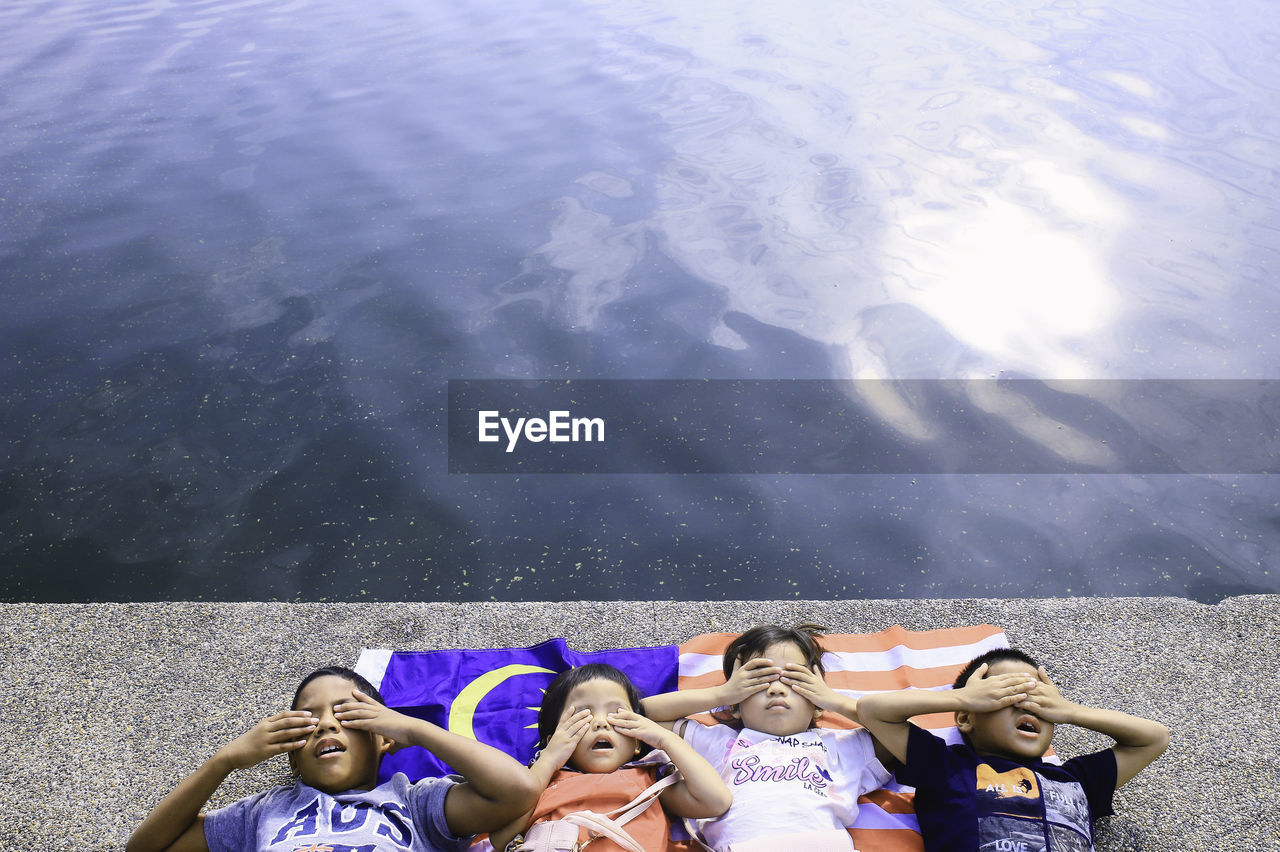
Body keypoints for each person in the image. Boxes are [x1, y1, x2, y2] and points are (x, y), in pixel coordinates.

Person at [127, 666, 541, 852]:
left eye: (347, 714)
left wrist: (413, 730)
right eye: (307, 720)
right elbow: (145, 847)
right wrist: (222, 763)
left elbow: (517, 790)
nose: (326, 725)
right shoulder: (261, 812)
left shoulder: (415, 803)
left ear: (383, 739)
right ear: (291, 754)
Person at [856, 647, 1170, 851]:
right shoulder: (947, 766)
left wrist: (1070, 710)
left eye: (1040, 701)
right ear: (967, 718)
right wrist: (962, 698)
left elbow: (1153, 738)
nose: (1029, 709)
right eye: (1009, 698)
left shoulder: (1077, 780)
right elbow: (874, 710)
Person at [643, 624, 892, 852]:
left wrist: (834, 701)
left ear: (817, 703)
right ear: (735, 706)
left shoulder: (839, 746)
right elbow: (643, 716)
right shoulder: (719, 742)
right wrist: (723, 693)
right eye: (759, 680)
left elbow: (910, 739)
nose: (776, 689)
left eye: (794, 680)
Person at [490, 663, 731, 852]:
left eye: (617, 714)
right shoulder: (543, 781)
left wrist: (666, 740)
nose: (601, 723)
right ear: (555, 738)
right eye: (583, 715)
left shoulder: (649, 779)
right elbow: (501, 838)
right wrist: (548, 760)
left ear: (637, 742)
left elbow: (715, 801)